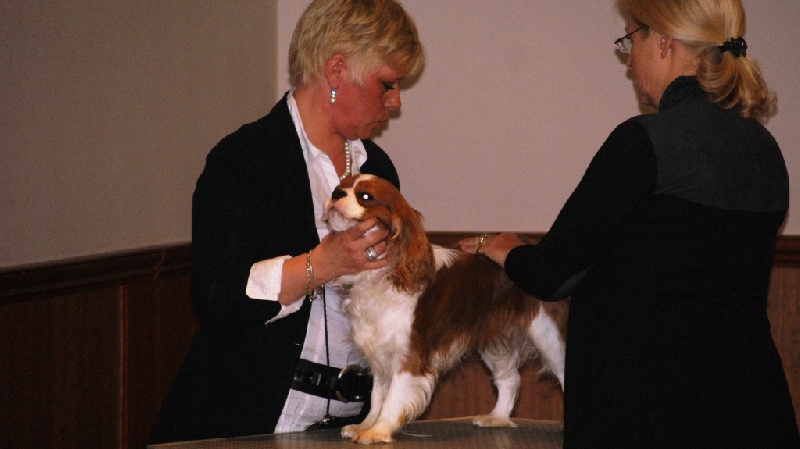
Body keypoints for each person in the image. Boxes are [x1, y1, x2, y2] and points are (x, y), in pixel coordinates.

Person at [460, 1, 798, 448]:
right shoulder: (765, 150)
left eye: (630, 39)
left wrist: (500, 246)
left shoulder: (643, 143)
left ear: (664, 41)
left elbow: (553, 273)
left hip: (646, 413)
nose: (629, 59)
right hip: (753, 411)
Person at [148, 0, 424, 443]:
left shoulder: (378, 169)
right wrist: (322, 263)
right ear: (337, 70)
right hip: (247, 419)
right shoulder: (243, 159)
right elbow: (215, 299)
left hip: (353, 423)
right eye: (387, 84)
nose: (394, 102)